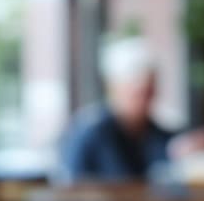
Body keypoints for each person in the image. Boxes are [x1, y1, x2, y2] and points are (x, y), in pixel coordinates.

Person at [57, 39, 177, 183]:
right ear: (114, 89)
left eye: (150, 92)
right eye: (139, 93)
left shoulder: (162, 136)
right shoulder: (88, 134)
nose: (146, 100)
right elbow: (71, 185)